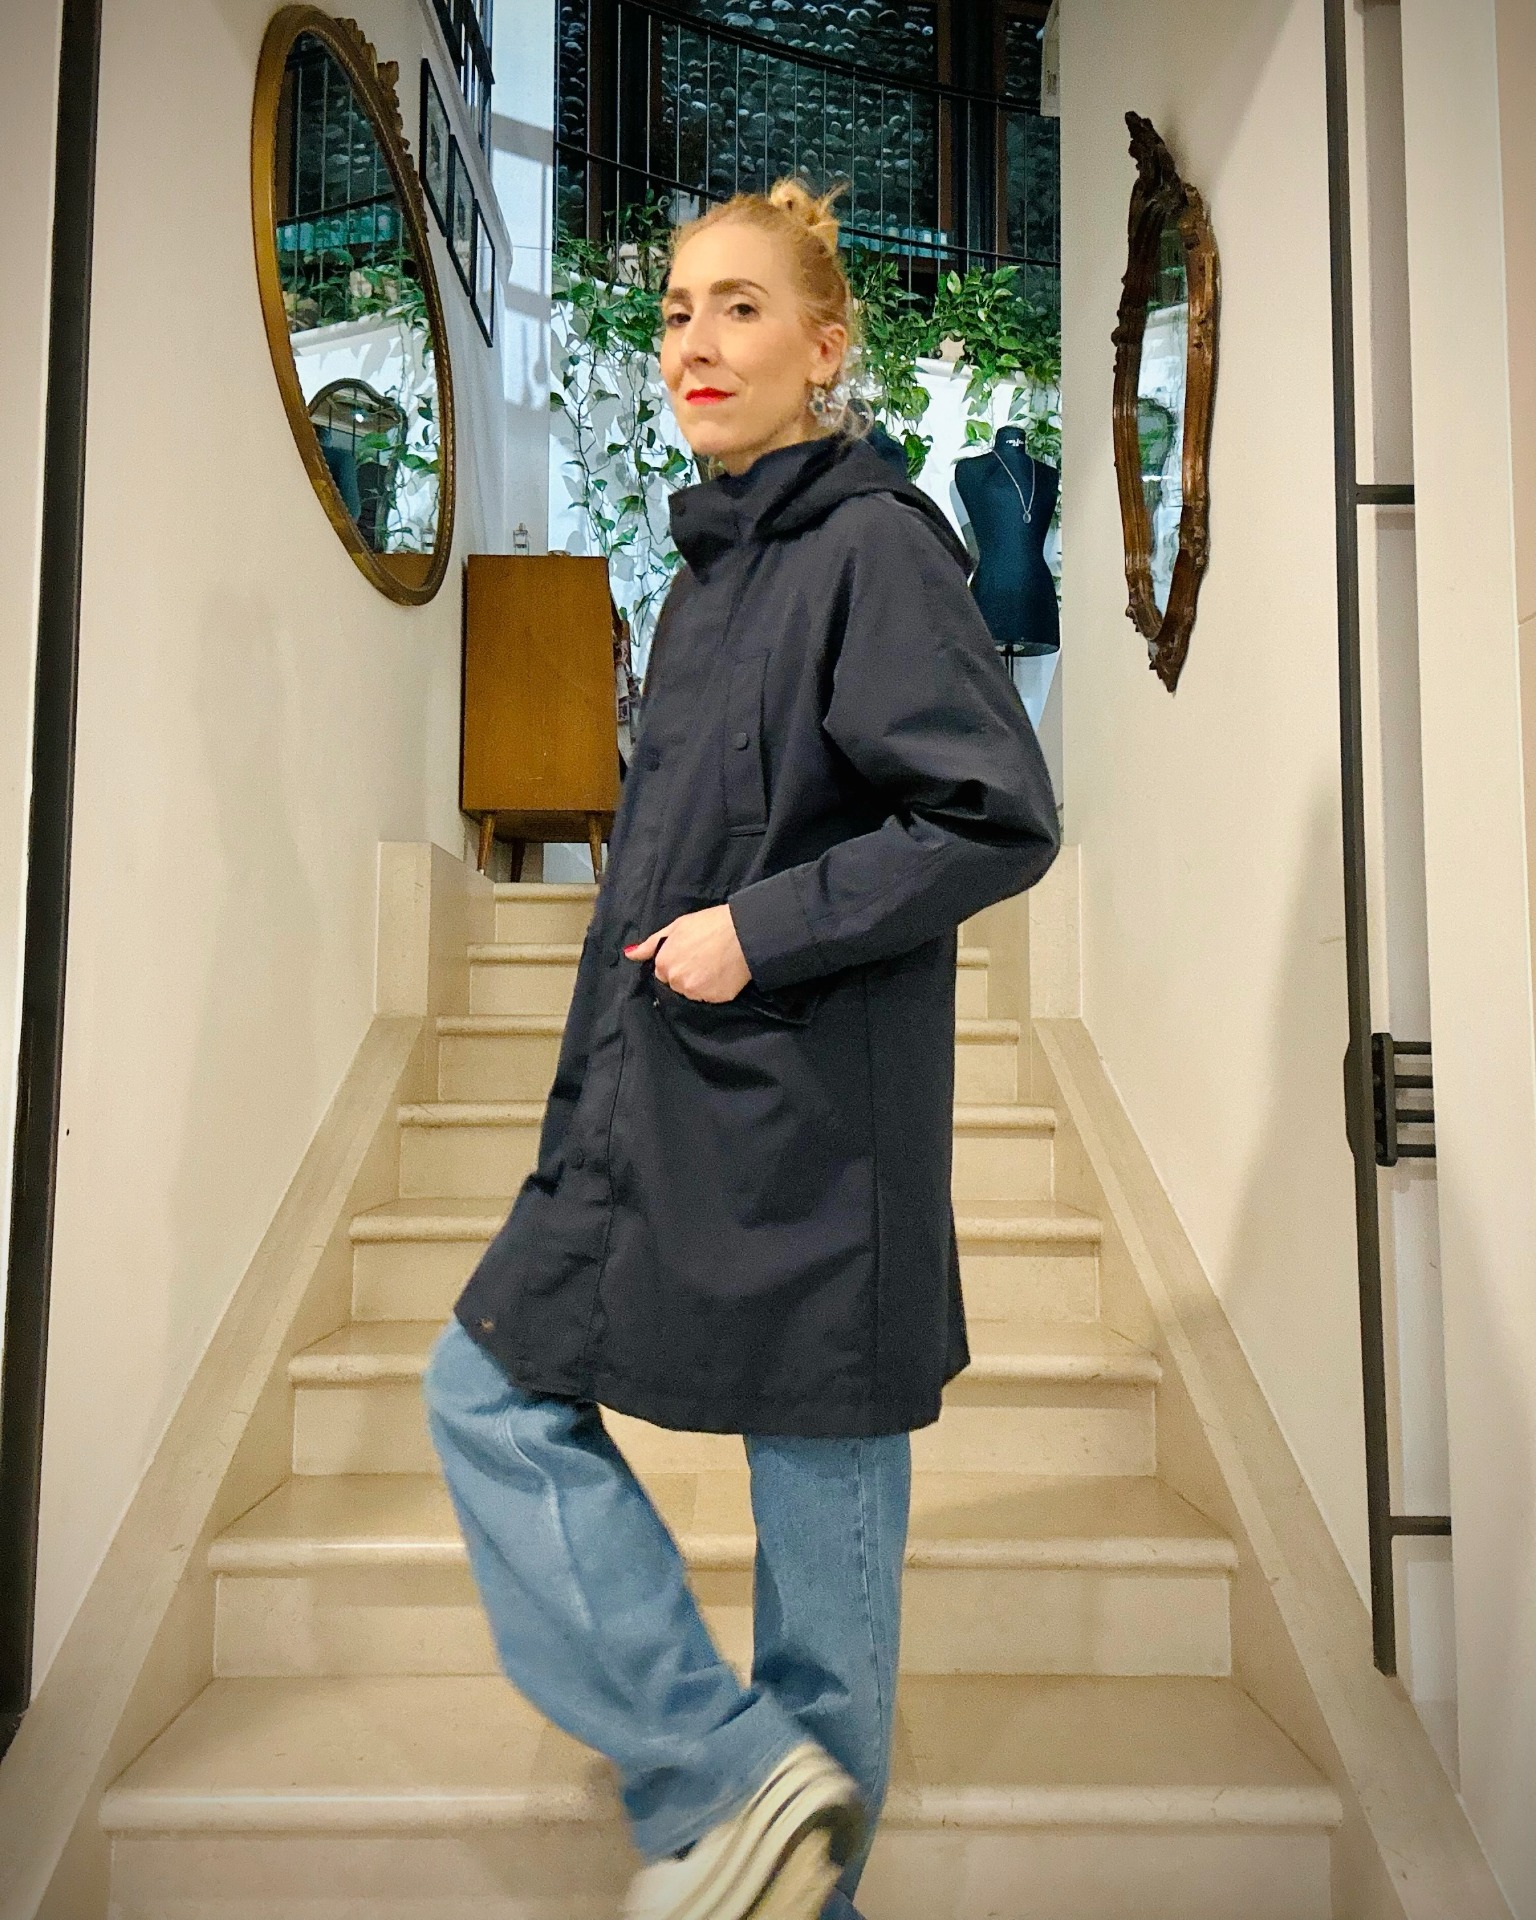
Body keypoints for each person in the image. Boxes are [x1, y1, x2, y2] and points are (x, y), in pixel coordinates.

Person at [423, 179, 1060, 1920]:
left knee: (824, 1576)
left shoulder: (876, 548)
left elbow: (994, 816)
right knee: (486, 1389)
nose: (693, 343)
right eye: (676, 310)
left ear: (826, 348)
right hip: (663, 1108)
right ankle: (726, 1774)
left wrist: (758, 930)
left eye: (741, 307)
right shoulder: (706, 581)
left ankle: (791, 1875)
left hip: (814, 1138)